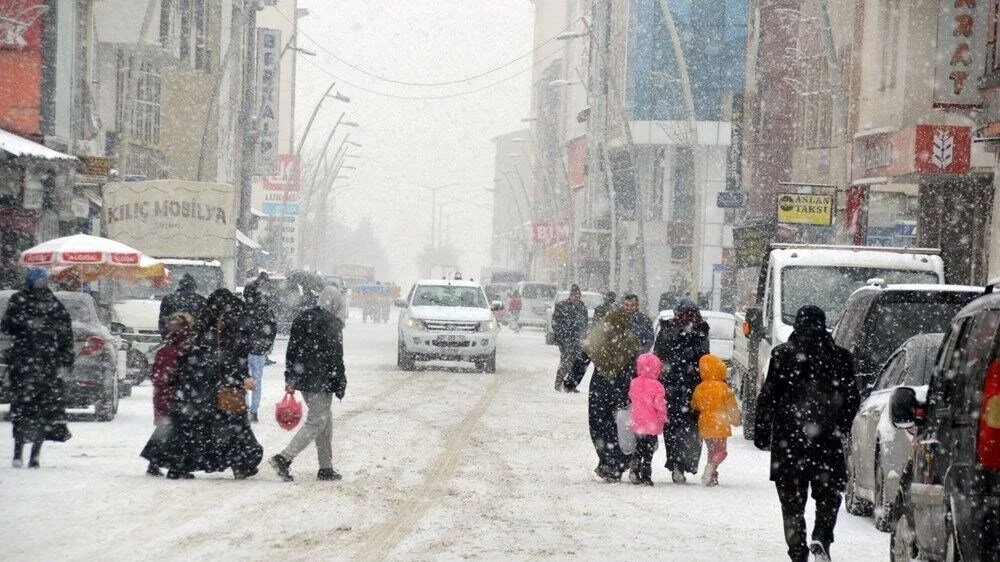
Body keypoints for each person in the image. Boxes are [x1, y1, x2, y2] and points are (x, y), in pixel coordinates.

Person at [754, 305, 860, 562]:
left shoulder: (782, 355)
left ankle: (797, 552)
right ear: (823, 325)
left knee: (791, 503)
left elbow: (768, 396)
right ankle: (822, 536)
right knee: (829, 495)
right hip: (826, 441)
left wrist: (762, 430)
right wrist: (840, 425)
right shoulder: (841, 357)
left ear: (797, 325)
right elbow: (852, 398)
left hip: (788, 442)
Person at [142, 289, 262, 480]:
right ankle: (242, 462)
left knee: (186, 424)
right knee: (232, 424)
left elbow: (197, 354)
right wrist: (240, 377)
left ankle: (173, 463)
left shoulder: (204, 325)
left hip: (196, 384)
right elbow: (230, 357)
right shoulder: (230, 324)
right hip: (219, 385)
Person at [270, 286, 347, 483]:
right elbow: (336, 357)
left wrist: (291, 377)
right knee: (317, 422)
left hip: (304, 379)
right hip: (321, 380)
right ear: (336, 303)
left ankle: (326, 467)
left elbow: (293, 350)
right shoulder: (332, 323)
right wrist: (340, 381)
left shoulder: (302, 318)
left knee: (325, 421)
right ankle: (284, 458)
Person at [1, 268, 74, 468]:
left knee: (25, 409)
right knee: (41, 409)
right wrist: (66, 358)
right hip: (42, 364)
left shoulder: (21, 301)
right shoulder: (52, 304)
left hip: (27, 363)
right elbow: (65, 334)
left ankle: (22, 453)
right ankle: (32, 455)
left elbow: (6, 326)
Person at [654, 297, 710, 483]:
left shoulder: (700, 331)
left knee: (690, 429)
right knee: (673, 428)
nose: (685, 316)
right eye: (683, 312)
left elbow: (703, 359)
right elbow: (659, 356)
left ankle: (684, 464)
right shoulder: (668, 329)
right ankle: (676, 464)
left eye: (689, 313)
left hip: (692, 389)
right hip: (672, 387)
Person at [583, 307, 639, 481]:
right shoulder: (630, 340)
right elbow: (634, 366)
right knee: (619, 426)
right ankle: (619, 462)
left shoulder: (597, 337)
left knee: (599, 424)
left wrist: (572, 380)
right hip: (622, 387)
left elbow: (584, 356)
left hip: (600, 386)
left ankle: (607, 462)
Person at [145, 312, 193, 476]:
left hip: (162, 394)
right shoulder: (184, 351)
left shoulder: (164, 351)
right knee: (178, 431)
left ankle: (155, 463)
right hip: (175, 395)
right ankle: (176, 466)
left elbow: (155, 374)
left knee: (165, 429)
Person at [691, 353, 741, 487]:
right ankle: (711, 467)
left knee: (712, 450)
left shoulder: (699, 388)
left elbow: (695, 405)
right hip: (719, 423)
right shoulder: (723, 387)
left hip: (705, 424)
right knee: (721, 451)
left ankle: (712, 477)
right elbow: (731, 406)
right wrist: (736, 419)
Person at [628, 353, 666, 486]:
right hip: (651, 423)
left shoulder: (634, 383)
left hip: (637, 421)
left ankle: (634, 469)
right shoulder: (657, 386)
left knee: (638, 447)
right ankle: (646, 474)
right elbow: (659, 405)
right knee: (649, 451)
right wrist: (663, 418)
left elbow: (631, 397)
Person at [243, 280, 277, 423]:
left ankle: (244, 407)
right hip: (259, 351)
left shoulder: (242, 308)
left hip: (243, 351)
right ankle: (254, 411)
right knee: (257, 382)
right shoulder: (266, 309)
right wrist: (267, 344)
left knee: (243, 380)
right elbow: (273, 328)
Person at [551, 285, 589, 392]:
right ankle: (558, 383)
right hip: (565, 339)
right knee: (566, 361)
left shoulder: (582, 307)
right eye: (574, 296)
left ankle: (570, 385)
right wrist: (562, 335)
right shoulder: (562, 306)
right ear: (570, 295)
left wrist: (583, 335)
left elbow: (585, 323)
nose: (576, 298)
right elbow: (555, 323)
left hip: (578, 339)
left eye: (578, 296)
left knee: (576, 362)